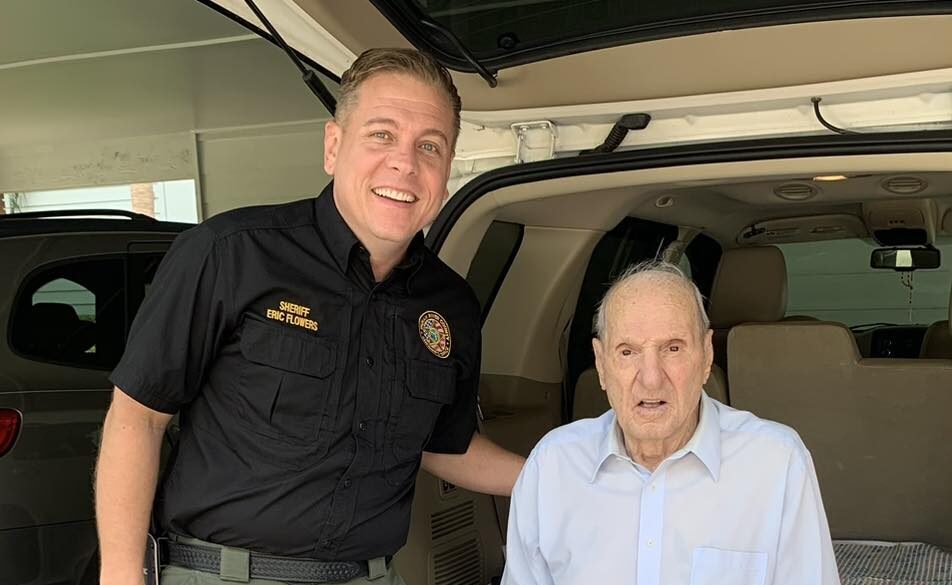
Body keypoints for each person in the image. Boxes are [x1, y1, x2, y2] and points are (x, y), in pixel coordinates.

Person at [95, 48, 525, 585]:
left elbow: (443, 445)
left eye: (430, 147)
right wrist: (119, 573)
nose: (405, 163)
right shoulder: (229, 253)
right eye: (382, 135)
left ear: (445, 172)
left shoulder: (452, 305)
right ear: (333, 146)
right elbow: (139, 417)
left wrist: (562, 478)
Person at [502, 261, 840, 585]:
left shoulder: (776, 463)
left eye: (673, 348)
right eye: (627, 352)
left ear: (706, 356)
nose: (651, 380)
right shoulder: (551, 466)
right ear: (601, 364)